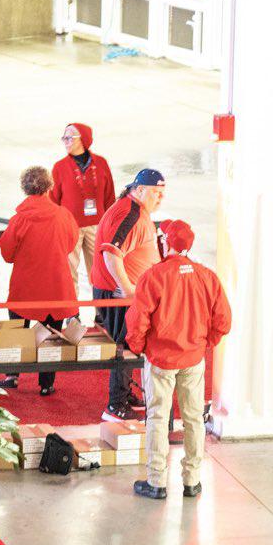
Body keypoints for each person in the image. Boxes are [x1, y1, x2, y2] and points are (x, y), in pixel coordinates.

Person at [126, 219, 232, 501]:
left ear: (166, 242)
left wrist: (138, 347)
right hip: (193, 359)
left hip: (161, 359)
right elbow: (223, 320)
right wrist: (204, 343)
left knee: (158, 418)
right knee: (194, 418)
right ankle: (192, 480)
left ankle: (157, 480)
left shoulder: (154, 276)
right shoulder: (207, 276)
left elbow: (137, 320)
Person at [91, 168, 165, 420]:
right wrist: (128, 289)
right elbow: (111, 252)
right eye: (156, 192)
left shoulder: (132, 208)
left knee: (127, 343)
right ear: (139, 189)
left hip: (115, 291)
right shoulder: (131, 213)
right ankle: (116, 404)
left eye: (162, 193)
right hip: (117, 294)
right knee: (123, 345)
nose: (160, 198)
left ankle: (123, 393)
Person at [0, 166, 80, 394]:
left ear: (24, 188)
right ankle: (46, 384)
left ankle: (12, 374)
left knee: (17, 329)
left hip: (25, 285)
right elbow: (71, 244)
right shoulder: (64, 215)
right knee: (52, 334)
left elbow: (6, 254)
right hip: (56, 285)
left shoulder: (19, 219)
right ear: (50, 187)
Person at [49, 124, 116, 289]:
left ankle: (101, 313)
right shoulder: (59, 167)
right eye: (64, 137)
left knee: (100, 270)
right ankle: (72, 313)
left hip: (97, 226)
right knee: (69, 271)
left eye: (70, 137)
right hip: (70, 227)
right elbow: (53, 199)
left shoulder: (101, 163)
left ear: (83, 139)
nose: (65, 141)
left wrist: (108, 224)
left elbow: (109, 196)